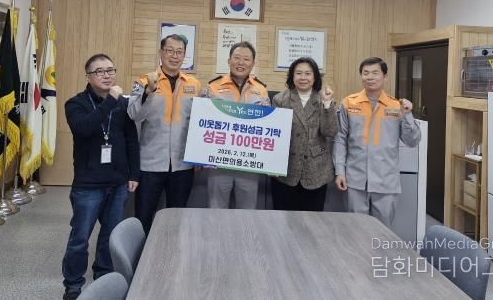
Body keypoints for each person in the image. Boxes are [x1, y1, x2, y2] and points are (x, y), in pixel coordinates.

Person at [61, 54, 139, 300]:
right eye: (100, 71)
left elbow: (131, 140)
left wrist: (133, 173)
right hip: (88, 185)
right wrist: (111, 100)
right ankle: (73, 284)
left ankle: (103, 276)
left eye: (110, 70)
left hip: (118, 183)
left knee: (109, 235)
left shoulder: (123, 104)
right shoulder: (75, 104)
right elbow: (85, 128)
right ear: (88, 77)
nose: (107, 75)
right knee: (80, 238)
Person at [333, 57, 420, 227]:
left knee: (382, 230)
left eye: (375, 73)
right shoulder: (349, 103)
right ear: (361, 76)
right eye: (366, 73)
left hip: (386, 181)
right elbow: (340, 139)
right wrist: (340, 171)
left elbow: (412, 141)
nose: (370, 77)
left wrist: (408, 115)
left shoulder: (396, 106)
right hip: (355, 180)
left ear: (385, 76)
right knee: (355, 229)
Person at [127, 34, 201, 234]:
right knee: (144, 216)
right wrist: (148, 92)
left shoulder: (194, 85)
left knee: (176, 217)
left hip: (182, 164)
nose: (174, 56)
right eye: (169, 51)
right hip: (150, 163)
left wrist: (199, 156)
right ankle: (141, 252)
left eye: (179, 52)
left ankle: (172, 251)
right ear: (161, 53)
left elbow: (199, 124)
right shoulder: (144, 81)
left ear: (184, 55)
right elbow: (134, 114)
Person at [204, 41, 269, 209]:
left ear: (253, 64)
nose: (241, 63)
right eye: (237, 58)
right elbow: (202, 122)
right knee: (216, 209)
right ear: (229, 61)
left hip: (249, 164)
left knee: (247, 212)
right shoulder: (213, 87)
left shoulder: (261, 90)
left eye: (246, 59)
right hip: (218, 161)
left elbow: (267, 126)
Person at [271, 57, 337, 211]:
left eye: (308, 73)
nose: (303, 77)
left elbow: (330, 131)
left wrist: (327, 104)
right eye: (298, 73)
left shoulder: (324, 98)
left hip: (316, 171)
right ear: (292, 76)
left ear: (315, 77)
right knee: (283, 219)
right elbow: (274, 137)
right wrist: (271, 164)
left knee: (312, 221)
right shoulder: (280, 99)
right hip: (286, 170)